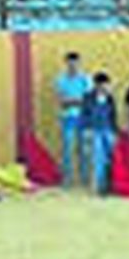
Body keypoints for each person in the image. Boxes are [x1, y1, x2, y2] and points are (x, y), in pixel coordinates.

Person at [54, 52, 91, 185]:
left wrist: (71, 101)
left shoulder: (85, 79)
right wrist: (77, 101)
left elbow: (87, 100)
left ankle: (84, 177)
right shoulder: (60, 80)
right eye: (70, 64)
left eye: (75, 63)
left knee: (83, 149)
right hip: (67, 117)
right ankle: (68, 178)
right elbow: (61, 101)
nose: (73, 66)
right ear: (66, 64)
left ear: (79, 64)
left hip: (82, 117)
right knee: (68, 148)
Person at [82, 71, 120, 195]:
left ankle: (110, 184)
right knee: (98, 159)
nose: (105, 87)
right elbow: (85, 115)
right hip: (94, 131)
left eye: (106, 85)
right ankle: (99, 186)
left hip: (108, 130)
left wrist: (115, 131)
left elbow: (113, 116)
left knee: (110, 158)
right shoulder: (88, 97)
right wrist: (86, 131)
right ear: (97, 85)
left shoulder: (110, 98)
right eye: (103, 85)